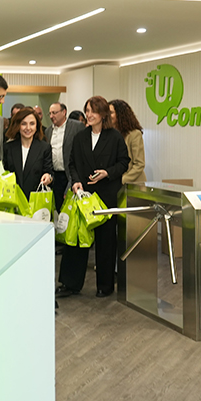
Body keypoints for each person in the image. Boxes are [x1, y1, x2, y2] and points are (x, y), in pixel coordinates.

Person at [58, 96, 129, 298]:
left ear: (103, 114)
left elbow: (124, 162)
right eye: (87, 110)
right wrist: (76, 182)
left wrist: (107, 173)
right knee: (77, 239)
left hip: (106, 196)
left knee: (106, 241)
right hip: (83, 195)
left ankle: (105, 286)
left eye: (93, 111)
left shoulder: (114, 137)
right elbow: (72, 163)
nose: (89, 115)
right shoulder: (80, 137)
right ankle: (70, 284)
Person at [3, 107, 53, 199]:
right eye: (24, 124)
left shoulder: (44, 148)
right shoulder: (8, 148)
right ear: (18, 125)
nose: (28, 128)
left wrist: (48, 177)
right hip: (12, 198)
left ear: (37, 126)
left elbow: (49, 172)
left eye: (32, 124)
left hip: (35, 200)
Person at [45, 102, 85, 212]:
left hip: (71, 174)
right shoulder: (48, 131)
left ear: (64, 112)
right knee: (58, 208)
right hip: (55, 176)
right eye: (50, 114)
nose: (51, 116)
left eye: (54, 113)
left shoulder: (76, 126)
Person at [109, 99, 147, 184]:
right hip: (114, 184)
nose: (108, 116)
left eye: (111, 113)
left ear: (120, 114)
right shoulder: (109, 135)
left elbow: (139, 164)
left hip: (133, 185)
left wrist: (121, 180)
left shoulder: (134, 134)